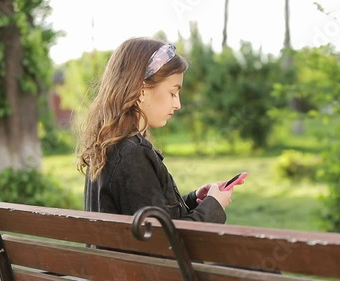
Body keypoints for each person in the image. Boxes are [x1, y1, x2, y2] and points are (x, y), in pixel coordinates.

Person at [76, 37, 237, 223]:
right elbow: (163, 243)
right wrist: (214, 207)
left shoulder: (107, 146)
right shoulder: (132, 155)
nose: (178, 104)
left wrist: (194, 201)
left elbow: (148, 216)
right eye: (173, 93)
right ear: (142, 90)